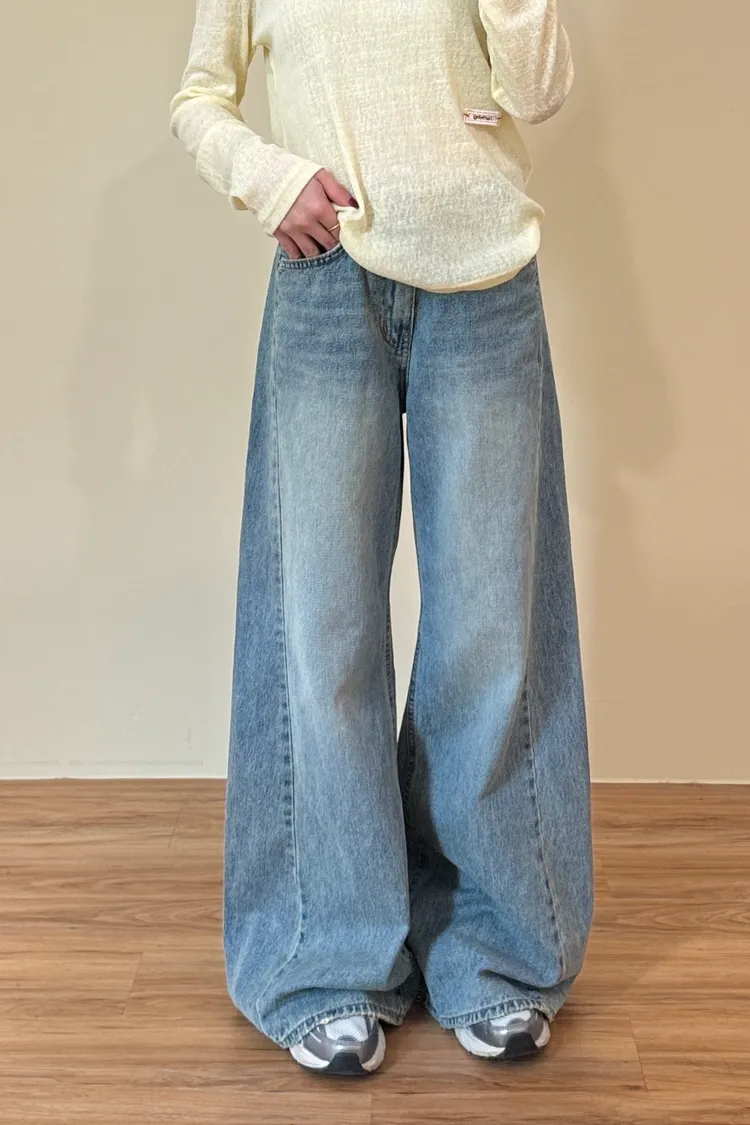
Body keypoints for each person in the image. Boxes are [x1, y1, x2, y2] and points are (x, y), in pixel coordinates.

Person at [169, 0, 594, 1076]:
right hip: (327, 284)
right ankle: (326, 962)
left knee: (490, 631)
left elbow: (541, 89)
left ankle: (496, 952)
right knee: (323, 627)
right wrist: (269, 179)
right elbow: (199, 98)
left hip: (487, 284)